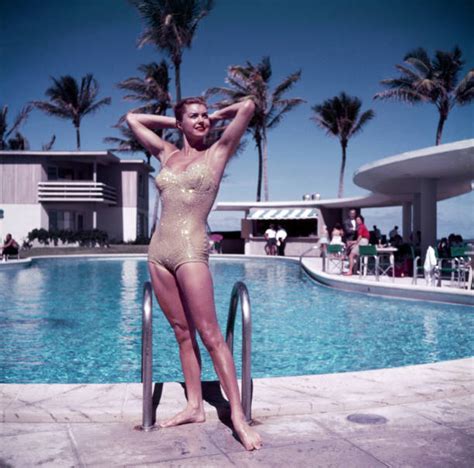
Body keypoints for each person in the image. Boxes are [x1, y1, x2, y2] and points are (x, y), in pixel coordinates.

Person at [126, 96, 262, 451]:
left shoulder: (217, 153)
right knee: (182, 333)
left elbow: (248, 106)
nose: (202, 120)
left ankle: (237, 417)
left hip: (191, 249)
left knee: (211, 334)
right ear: (181, 122)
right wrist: (174, 123)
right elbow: (132, 119)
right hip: (159, 252)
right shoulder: (166, 155)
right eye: (194, 116)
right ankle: (194, 406)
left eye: (205, 116)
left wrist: (215, 115)